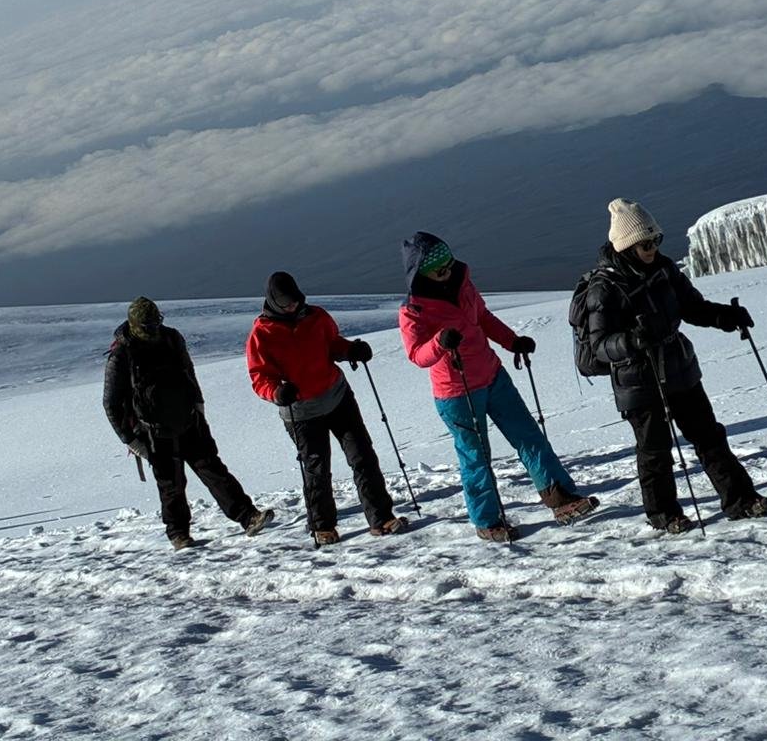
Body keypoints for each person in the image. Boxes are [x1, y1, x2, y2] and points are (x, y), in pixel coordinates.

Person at [576, 199, 767, 534]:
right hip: (637, 378)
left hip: (678, 366)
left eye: (657, 240)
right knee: (655, 450)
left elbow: (692, 307)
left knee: (709, 435)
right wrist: (633, 341)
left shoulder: (665, 270)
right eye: (646, 244)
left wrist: (725, 317)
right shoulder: (604, 288)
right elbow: (600, 345)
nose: (654, 248)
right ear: (627, 246)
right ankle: (664, 514)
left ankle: (741, 500)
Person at [400, 232, 599, 543]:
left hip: (492, 375)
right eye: (438, 269)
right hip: (456, 391)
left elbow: (483, 318)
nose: (447, 272)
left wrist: (512, 342)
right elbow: (417, 355)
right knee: (476, 457)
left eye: (449, 264)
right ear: (420, 273)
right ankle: (487, 521)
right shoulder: (414, 310)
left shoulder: (462, 283)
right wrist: (440, 342)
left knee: (528, 435)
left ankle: (562, 499)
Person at [246, 271, 409, 547]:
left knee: (363, 456)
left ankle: (381, 518)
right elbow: (259, 377)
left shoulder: (316, 316)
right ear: (273, 302)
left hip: (337, 396)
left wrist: (351, 350)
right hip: (300, 412)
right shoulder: (261, 334)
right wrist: (276, 391)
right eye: (285, 304)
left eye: (295, 301)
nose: (292, 307)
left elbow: (332, 344)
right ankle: (322, 526)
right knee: (316, 469)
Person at [103, 296, 273, 550]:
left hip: (188, 420)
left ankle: (247, 516)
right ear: (136, 324)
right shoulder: (122, 354)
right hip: (153, 432)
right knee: (171, 485)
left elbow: (187, 371)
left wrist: (198, 404)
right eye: (148, 325)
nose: (153, 328)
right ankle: (178, 534)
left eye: (156, 322)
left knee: (214, 471)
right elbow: (111, 404)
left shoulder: (171, 338)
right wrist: (131, 440)